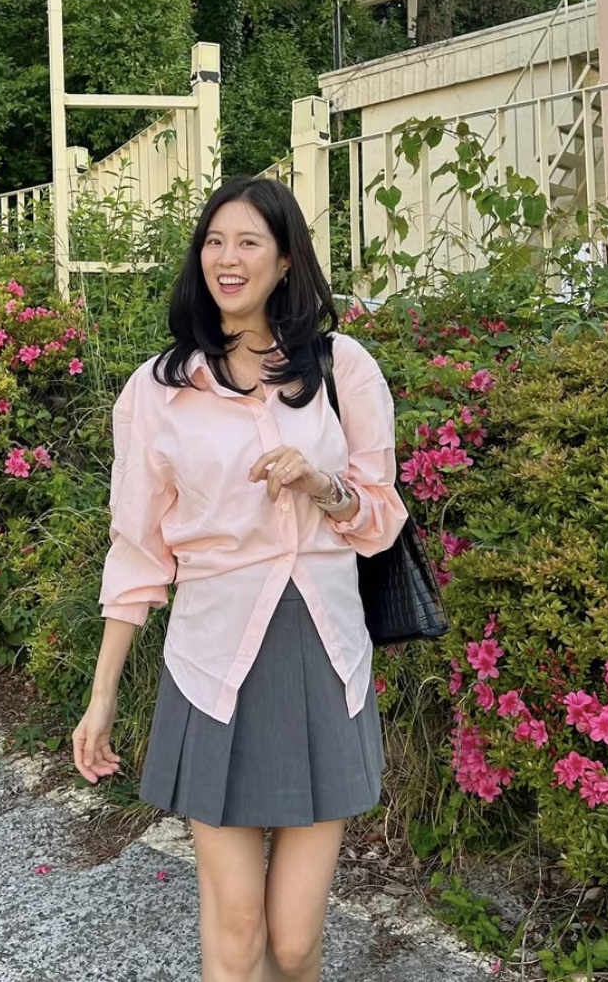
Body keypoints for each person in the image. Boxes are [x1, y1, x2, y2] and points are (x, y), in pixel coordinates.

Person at [72, 175, 409, 982]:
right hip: (213, 663)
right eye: (214, 241)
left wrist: (321, 485)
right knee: (234, 930)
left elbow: (381, 518)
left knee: (293, 944)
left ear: (286, 260)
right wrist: (102, 694)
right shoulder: (160, 391)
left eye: (249, 241)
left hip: (326, 658)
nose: (228, 258)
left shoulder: (342, 369)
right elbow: (138, 552)